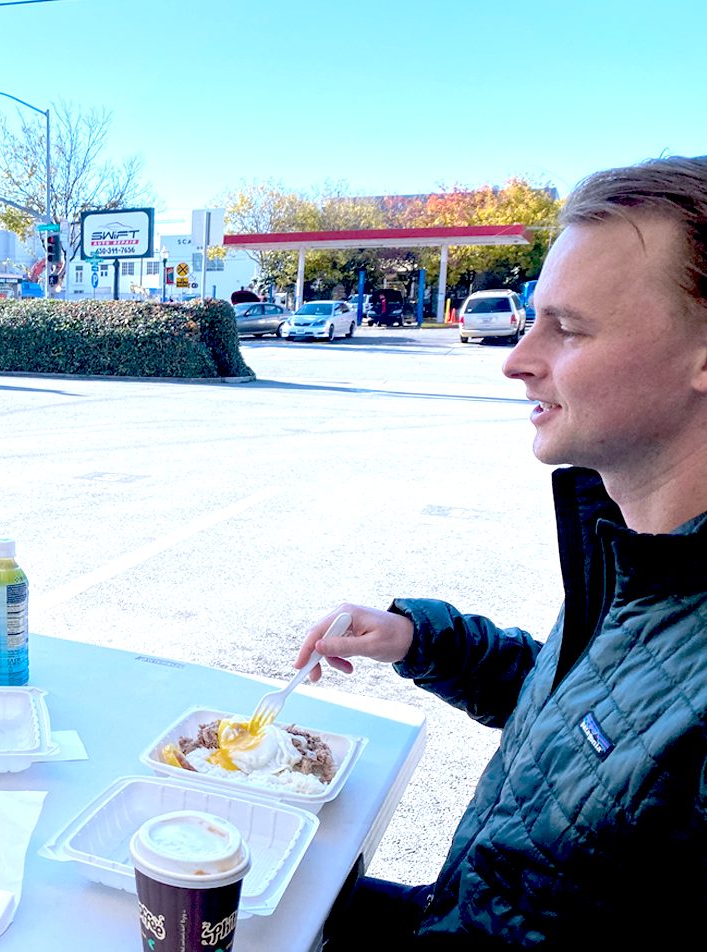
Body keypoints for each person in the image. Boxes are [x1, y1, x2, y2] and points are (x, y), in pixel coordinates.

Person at [299, 156, 707, 948]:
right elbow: (594, 724)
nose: (515, 359)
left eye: (568, 328)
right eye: (530, 318)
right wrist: (421, 639)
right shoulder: (642, 563)